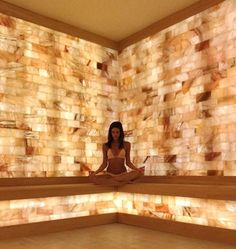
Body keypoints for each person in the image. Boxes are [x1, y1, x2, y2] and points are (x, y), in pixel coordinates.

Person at [89, 121, 144, 186]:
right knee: (93, 178)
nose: (115, 134)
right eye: (113, 132)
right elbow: (104, 164)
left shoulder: (127, 145)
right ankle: (121, 181)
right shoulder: (105, 146)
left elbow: (128, 162)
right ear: (110, 133)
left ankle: (115, 181)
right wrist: (95, 172)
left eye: (117, 132)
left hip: (123, 174)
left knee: (138, 173)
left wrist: (138, 170)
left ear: (120, 133)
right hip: (110, 174)